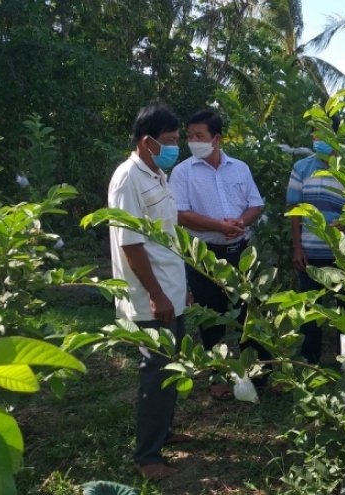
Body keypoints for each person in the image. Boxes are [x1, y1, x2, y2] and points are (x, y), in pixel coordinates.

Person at [108, 103, 192, 479]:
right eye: (171, 141)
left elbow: (168, 239)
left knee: (171, 368)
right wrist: (157, 294)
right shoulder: (129, 178)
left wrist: (181, 289)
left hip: (171, 290)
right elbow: (131, 244)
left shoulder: (158, 175)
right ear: (147, 141)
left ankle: (162, 433)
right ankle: (147, 457)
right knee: (156, 373)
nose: (177, 148)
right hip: (150, 295)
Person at [168, 110, 269, 400]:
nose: (192, 141)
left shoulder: (239, 168)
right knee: (212, 316)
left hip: (242, 250)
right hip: (205, 254)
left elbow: (255, 204)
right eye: (190, 136)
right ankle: (219, 376)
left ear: (217, 138)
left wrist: (240, 224)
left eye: (199, 136)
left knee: (252, 311)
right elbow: (181, 214)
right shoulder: (183, 171)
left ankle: (260, 371)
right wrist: (219, 226)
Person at [286, 115, 345, 363]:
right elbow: (295, 208)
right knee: (311, 311)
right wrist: (297, 247)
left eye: (321, 132)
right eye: (313, 133)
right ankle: (310, 361)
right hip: (311, 252)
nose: (316, 138)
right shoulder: (302, 167)